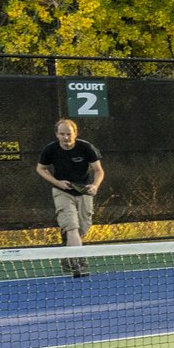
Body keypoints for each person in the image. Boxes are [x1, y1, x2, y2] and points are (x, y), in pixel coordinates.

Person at [33, 118, 104, 277]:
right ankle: (79, 263)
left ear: (75, 133)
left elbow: (99, 170)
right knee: (71, 227)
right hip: (62, 192)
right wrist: (57, 182)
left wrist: (94, 186)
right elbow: (40, 169)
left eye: (69, 134)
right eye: (62, 134)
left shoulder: (86, 147)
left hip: (84, 190)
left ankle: (68, 253)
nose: (66, 137)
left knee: (82, 228)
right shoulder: (50, 150)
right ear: (57, 135)